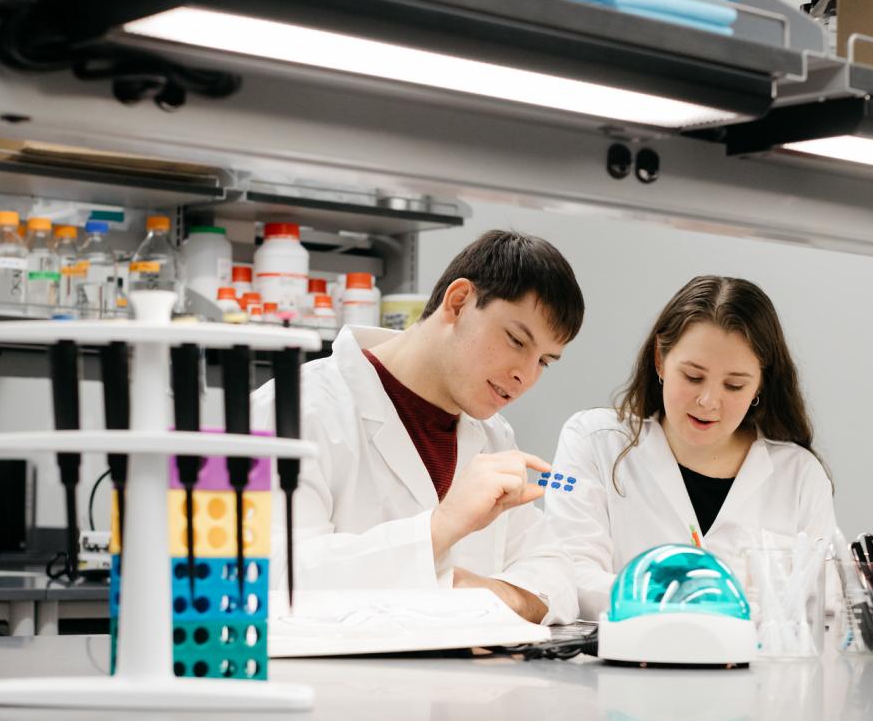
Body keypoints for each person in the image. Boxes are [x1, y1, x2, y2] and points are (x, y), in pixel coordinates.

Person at [252, 230, 584, 624]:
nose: (525, 376)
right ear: (458, 302)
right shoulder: (292, 411)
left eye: (545, 361)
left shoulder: (493, 436)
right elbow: (269, 582)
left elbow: (557, 577)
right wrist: (439, 528)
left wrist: (492, 597)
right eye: (516, 340)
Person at [545, 275, 835, 618]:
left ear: (760, 384)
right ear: (660, 359)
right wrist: (693, 602)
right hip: (626, 667)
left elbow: (823, 598)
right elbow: (570, 576)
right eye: (693, 377)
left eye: (734, 385)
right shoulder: (593, 442)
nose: (708, 401)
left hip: (752, 671)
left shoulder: (799, 475)